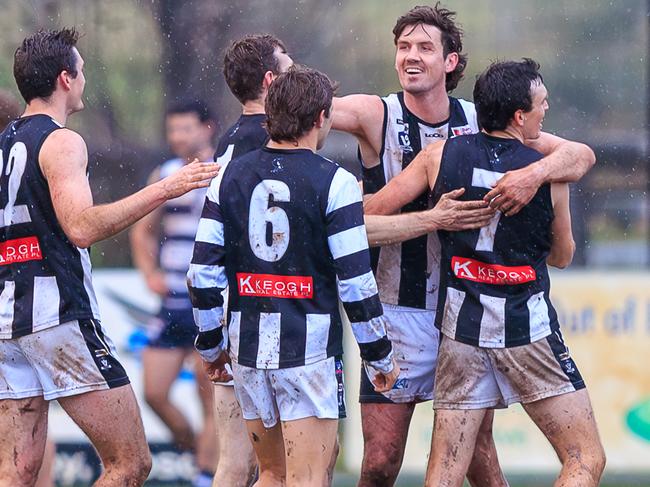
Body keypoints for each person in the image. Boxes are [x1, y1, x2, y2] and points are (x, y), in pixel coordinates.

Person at [331, 5, 596, 486]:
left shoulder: (484, 119)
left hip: (465, 308)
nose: (411, 57)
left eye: (424, 48)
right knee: (379, 461)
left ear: (451, 61)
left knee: (478, 456)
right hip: (397, 306)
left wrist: (531, 174)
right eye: (403, 47)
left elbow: (578, 153)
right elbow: (314, 115)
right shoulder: (378, 112)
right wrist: (270, 99)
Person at [0, 28, 219, 486]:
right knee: (130, 463)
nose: (84, 79)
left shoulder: (4, 143)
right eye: (81, 71)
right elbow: (81, 228)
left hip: (6, 322)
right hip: (57, 317)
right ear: (66, 78)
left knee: (16, 472)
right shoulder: (61, 141)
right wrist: (166, 188)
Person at [187, 66, 399, 487]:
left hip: (248, 352)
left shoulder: (227, 175)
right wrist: (380, 355)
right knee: (308, 478)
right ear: (321, 117)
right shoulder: (335, 181)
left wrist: (212, 347)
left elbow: (201, 276)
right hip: (310, 356)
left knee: (271, 474)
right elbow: (356, 282)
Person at [203, 34, 293, 487]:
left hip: (230, 306)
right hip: (272, 311)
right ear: (272, 80)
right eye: (290, 70)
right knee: (291, 464)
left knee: (236, 462)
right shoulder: (276, 141)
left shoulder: (230, 139)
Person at [129, 99, 218, 487]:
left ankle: (206, 473)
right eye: (173, 130)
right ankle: (198, 449)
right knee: (154, 392)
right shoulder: (164, 174)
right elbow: (141, 230)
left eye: (186, 128)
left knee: (211, 394)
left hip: (211, 302)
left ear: (208, 128)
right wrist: (149, 272)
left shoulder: (224, 172)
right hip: (171, 302)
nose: (178, 137)